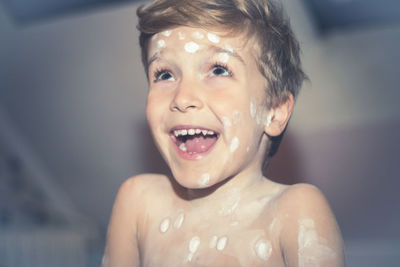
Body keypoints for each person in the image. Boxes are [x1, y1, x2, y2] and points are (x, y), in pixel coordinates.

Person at [103, 0, 345, 266]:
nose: (182, 98)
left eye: (218, 70)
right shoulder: (138, 203)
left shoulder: (294, 213)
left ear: (274, 112)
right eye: (164, 75)